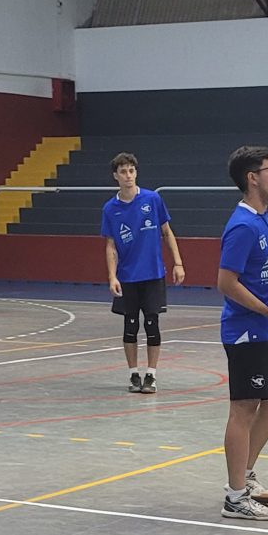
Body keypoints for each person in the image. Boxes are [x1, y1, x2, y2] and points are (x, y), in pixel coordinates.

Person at [217, 146, 268, 520]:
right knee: (244, 410)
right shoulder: (243, 226)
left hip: (264, 328)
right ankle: (235, 498)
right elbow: (226, 282)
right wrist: (267, 310)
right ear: (252, 178)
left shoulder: (262, 218)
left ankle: (245, 474)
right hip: (246, 331)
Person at [101, 152, 184, 394]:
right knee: (130, 326)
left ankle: (151, 375)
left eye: (131, 171)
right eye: (123, 172)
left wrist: (178, 263)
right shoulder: (110, 209)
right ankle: (133, 374)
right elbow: (110, 246)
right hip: (127, 277)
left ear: (136, 173)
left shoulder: (152, 199)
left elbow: (167, 232)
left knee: (151, 324)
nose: (128, 175)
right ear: (115, 176)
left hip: (153, 274)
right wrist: (112, 276)